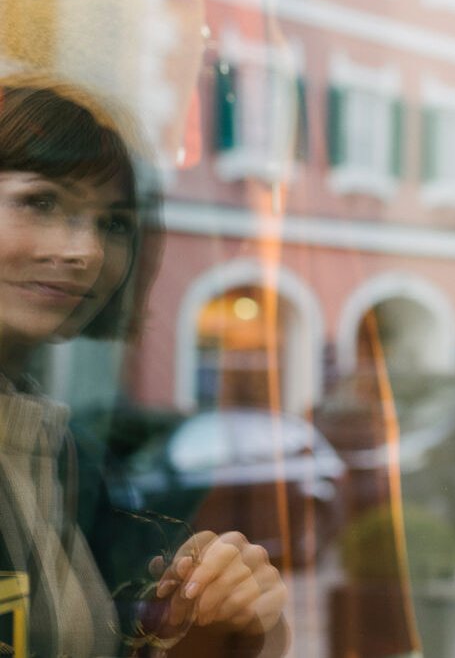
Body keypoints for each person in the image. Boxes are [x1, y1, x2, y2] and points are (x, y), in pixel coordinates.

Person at [0, 75, 289, 656]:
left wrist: (214, 610)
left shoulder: (61, 453)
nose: (86, 252)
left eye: (114, 223)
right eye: (41, 201)